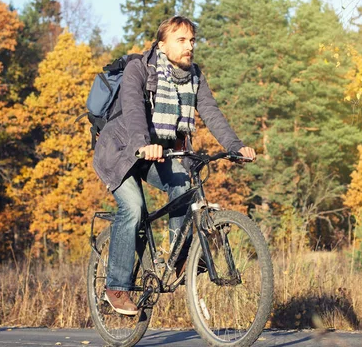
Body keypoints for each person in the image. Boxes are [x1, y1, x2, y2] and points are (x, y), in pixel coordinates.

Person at [93, 16, 255, 315]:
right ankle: (115, 287)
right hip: (119, 150)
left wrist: (234, 146)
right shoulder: (139, 69)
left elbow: (210, 111)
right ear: (162, 44)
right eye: (181, 40)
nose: (189, 46)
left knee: (182, 184)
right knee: (133, 208)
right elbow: (132, 109)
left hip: (160, 152)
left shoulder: (194, 76)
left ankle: (177, 258)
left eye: (192, 40)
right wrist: (144, 142)